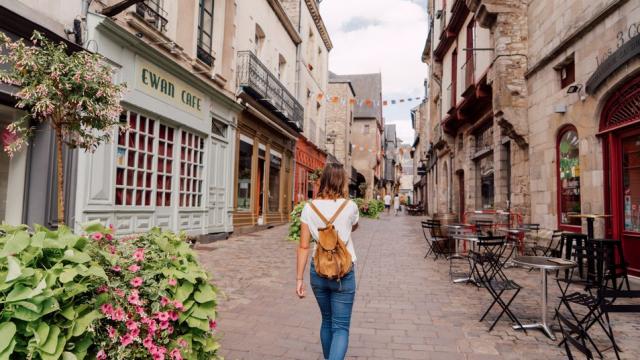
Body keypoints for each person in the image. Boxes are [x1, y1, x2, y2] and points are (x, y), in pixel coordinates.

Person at [296, 163, 359, 360]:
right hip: (344, 271)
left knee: (327, 320)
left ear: (323, 180)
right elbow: (354, 226)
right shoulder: (350, 206)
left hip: (319, 270)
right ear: (343, 182)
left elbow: (304, 246)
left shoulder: (309, 208)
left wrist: (299, 279)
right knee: (340, 328)